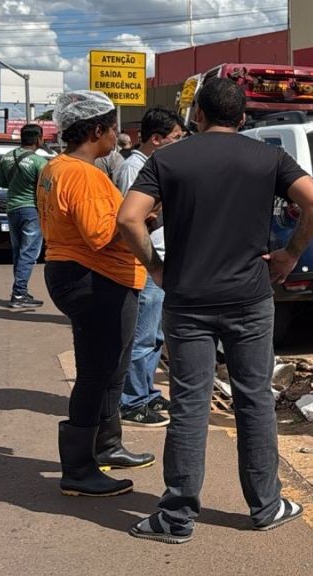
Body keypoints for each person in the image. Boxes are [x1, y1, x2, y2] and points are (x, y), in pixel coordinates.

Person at [117, 77, 313, 543]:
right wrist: (290, 254)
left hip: (188, 299)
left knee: (189, 403)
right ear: (242, 117)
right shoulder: (268, 156)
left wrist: (156, 268)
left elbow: (129, 219)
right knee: (254, 399)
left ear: (197, 115)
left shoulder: (167, 159)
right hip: (251, 298)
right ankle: (266, 506)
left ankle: (175, 518)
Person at [36, 91, 150, 498]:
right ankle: (79, 469)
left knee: (112, 367)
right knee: (96, 372)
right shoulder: (83, 174)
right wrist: (147, 220)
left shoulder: (56, 167)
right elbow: (102, 234)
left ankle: (107, 446)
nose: (117, 135)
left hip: (83, 274)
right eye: (113, 127)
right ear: (97, 130)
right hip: (94, 278)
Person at [113, 107, 186, 428]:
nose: (181, 144)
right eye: (176, 138)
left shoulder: (156, 165)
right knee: (142, 336)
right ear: (156, 139)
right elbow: (132, 218)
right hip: (145, 262)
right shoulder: (135, 168)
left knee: (155, 335)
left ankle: (147, 391)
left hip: (160, 259)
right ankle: (132, 401)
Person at [0, 122, 49, 308]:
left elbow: (0, 182)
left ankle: (20, 291)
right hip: (31, 210)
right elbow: (47, 189)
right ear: (38, 139)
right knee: (29, 253)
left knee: (18, 252)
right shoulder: (40, 162)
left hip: (12, 208)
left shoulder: (7, 157)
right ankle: (18, 294)